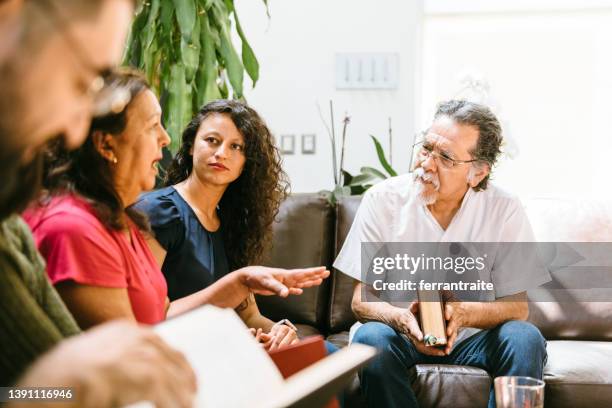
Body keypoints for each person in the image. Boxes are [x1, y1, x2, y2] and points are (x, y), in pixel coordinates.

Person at [24, 70, 329, 329]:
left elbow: (161, 315)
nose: (166, 138)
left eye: (237, 147)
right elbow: (132, 350)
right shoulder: (79, 228)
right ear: (106, 145)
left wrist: (268, 329)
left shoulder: (124, 223)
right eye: (151, 125)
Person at [333, 100, 551, 408]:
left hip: (471, 339)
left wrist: (462, 314)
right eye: (426, 148)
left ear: (477, 173)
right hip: (400, 336)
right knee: (371, 339)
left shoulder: (504, 208)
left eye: (445, 157)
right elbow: (360, 299)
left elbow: (517, 306)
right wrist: (400, 318)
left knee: (524, 338)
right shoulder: (382, 200)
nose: (427, 164)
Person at [134, 99, 303, 349]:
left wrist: (281, 332)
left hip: (223, 348)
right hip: (176, 352)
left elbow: (249, 315)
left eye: (236, 146)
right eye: (212, 140)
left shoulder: (234, 224)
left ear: (247, 163)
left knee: (326, 353)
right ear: (191, 146)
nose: (222, 153)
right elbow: (152, 316)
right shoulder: (158, 211)